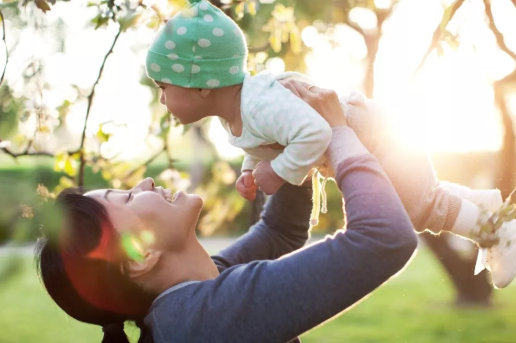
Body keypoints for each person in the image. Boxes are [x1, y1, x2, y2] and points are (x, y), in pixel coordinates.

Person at [144, 0, 516, 288]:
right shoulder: (238, 112)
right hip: (367, 139)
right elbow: (260, 144)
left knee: (418, 208)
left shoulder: (257, 103)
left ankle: (497, 233)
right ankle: (482, 205)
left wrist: (278, 170)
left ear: (203, 84)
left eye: (164, 88)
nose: (161, 99)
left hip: (375, 135)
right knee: (421, 197)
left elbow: (316, 134)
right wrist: (250, 172)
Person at [35, 84, 418, 343]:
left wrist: (293, 145)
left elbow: (278, 232)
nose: (146, 184)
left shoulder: (189, 299)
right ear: (140, 257)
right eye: (129, 199)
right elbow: (382, 239)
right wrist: (336, 132)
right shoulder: (202, 321)